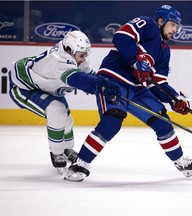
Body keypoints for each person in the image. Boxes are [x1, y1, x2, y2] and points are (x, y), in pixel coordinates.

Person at [65, 5, 192, 182]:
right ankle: (81, 162)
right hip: (113, 81)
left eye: (178, 26)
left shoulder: (165, 51)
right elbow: (121, 37)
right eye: (173, 25)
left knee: (163, 121)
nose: (175, 30)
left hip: (137, 89)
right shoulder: (147, 24)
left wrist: (175, 99)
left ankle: (180, 162)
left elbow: (158, 83)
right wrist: (136, 62)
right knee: (112, 121)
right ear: (161, 21)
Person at [8, 30, 120, 172]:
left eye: (85, 54)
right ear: (69, 50)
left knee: (67, 120)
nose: (84, 59)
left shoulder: (75, 55)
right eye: (81, 55)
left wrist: (107, 85)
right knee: (57, 111)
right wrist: (100, 87)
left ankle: (67, 149)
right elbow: (79, 80)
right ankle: (56, 153)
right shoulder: (58, 60)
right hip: (23, 87)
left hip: (47, 86)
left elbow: (91, 76)